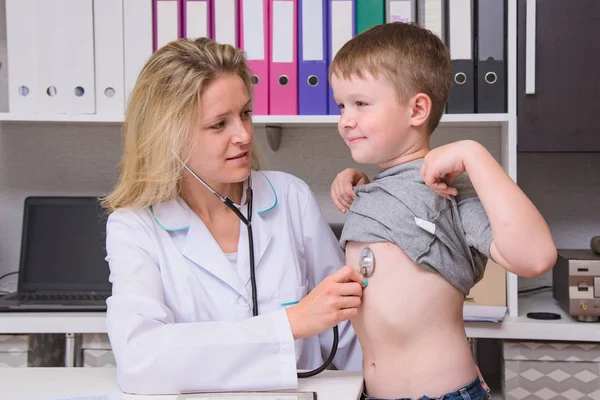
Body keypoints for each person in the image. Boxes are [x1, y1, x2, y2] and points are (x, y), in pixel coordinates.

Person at [101, 37, 365, 395]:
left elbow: (351, 331)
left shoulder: (290, 198)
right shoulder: (135, 226)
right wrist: (289, 324)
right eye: (218, 124)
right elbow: (141, 360)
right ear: (168, 137)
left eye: (244, 113)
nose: (243, 135)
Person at [328, 23, 557, 400]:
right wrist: (364, 188)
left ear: (417, 109)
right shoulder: (373, 191)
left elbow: (536, 257)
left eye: (361, 104)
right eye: (342, 105)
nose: (345, 120)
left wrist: (475, 154)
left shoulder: (448, 192)